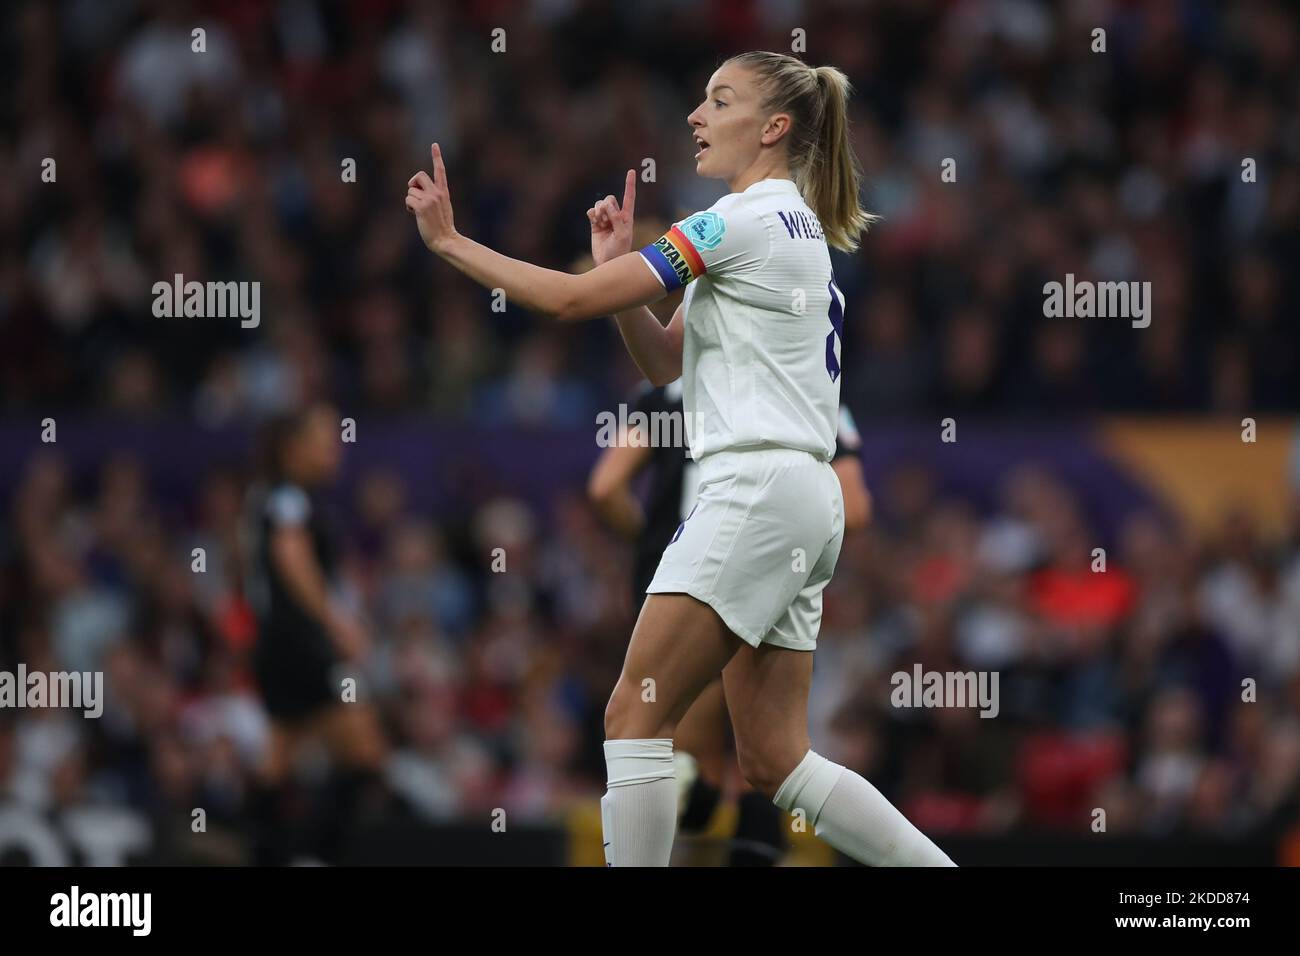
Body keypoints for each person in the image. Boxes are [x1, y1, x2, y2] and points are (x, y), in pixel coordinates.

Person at [406, 50, 953, 866]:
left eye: (719, 100)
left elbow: (564, 301)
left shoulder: (735, 222)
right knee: (774, 760)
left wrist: (451, 243)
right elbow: (670, 368)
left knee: (633, 716)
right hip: (802, 495)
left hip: (755, 486)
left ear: (772, 127)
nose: (696, 116)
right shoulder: (788, 231)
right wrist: (613, 267)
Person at [589, 387, 871, 864]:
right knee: (765, 767)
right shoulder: (807, 388)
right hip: (766, 580)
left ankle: (686, 795)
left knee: (677, 760)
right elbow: (855, 508)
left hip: (681, 590)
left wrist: (655, 546)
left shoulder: (667, 391)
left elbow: (605, 488)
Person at [244, 402, 387, 864]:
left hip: (276, 646)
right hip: (303, 647)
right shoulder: (288, 499)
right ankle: (315, 854)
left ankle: (265, 852)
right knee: (365, 754)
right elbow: (291, 559)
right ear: (291, 450)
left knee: (278, 760)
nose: (334, 451)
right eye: (323, 443)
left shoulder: (270, 495)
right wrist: (336, 621)